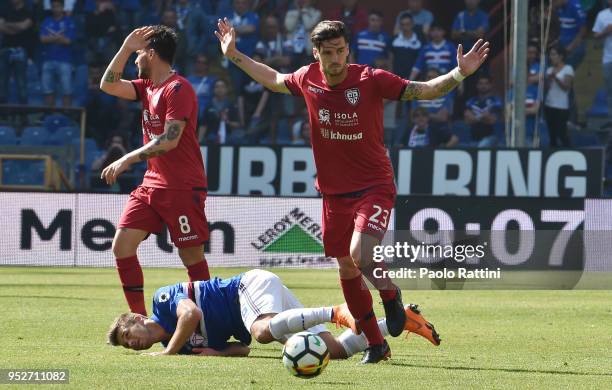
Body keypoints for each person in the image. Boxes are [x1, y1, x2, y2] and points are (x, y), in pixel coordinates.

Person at [215, 19, 488, 363]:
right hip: (333, 194)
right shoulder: (307, 77)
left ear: (348, 50)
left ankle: (390, 294)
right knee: (346, 267)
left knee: (360, 253)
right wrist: (235, 54)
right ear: (316, 53)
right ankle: (376, 344)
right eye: (328, 52)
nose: (335, 59)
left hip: (373, 185)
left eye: (340, 51)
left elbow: (426, 90)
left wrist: (459, 74)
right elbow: (272, 79)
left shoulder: (370, 80)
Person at [99, 26, 211, 317]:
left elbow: (170, 139)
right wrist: (125, 47)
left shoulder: (179, 89)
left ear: (150, 53)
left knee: (191, 258)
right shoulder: (147, 87)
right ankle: (139, 319)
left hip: (182, 186)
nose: (135, 60)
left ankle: (208, 322)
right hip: (152, 185)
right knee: (122, 246)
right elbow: (108, 85)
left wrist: (127, 159)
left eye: (137, 54)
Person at [107, 269, 439, 357]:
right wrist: (210, 354)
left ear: (136, 319)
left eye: (127, 336)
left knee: (263, 331)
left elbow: (191, 312)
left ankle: (336, 310)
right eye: (126, 345)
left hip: (247, 288)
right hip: (259, 309)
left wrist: (169, 352)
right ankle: (398, 320)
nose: (131, 343)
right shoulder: (184, 347)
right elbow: (241, 349)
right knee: (333, 352)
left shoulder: (161, 300)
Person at [40, 0, 76, 107]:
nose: (56, 9)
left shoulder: (69, 21)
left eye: (58, 6)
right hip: (48, 60)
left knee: (67, 91)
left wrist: (51, 38)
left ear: (63, 7)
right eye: (53, 6)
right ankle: (49, 116)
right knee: (48, 91)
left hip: (65, 61)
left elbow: (68, 41)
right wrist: (59, 37)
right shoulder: (46, 21)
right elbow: (42, 39)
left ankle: (67, 115)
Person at [0, 0, 36, 105]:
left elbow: (23, 27)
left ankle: (23, 115)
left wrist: (7, 25)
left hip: (21, 50)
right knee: (2, 83)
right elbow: (1, 28)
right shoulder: (5, 10)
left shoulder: (28, 12)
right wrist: (17, 27)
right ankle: (3, 115)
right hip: (5, 50)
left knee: (21, 83)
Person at [544, 45, 573, 147]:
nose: (551, 57)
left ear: (560, 56)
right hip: (549, 104)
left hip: (561, 106)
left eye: (553, 54)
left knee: (562, 133)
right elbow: (546, 89)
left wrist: (556, 78)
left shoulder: (568, 69)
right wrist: (548, 80)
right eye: (550, 54)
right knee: (552, 135)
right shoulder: (549, 70)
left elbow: (566, 87)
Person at [464, 74, 502, 147]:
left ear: (491, 85)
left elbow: (492, 120)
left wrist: (475, 117)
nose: (483, 86)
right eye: (480, 83)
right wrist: (483, 117)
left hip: (491, 137)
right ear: (477, 85)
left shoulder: (496, 101)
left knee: (482, 146)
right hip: (473, 138)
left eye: (486, 83)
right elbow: (467, 120)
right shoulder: (471, 101)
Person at [593, 0, 612, 130]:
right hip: (608, 58)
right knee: (610, 92)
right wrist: (605, 32)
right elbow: (595, 36)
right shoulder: (602, 15)